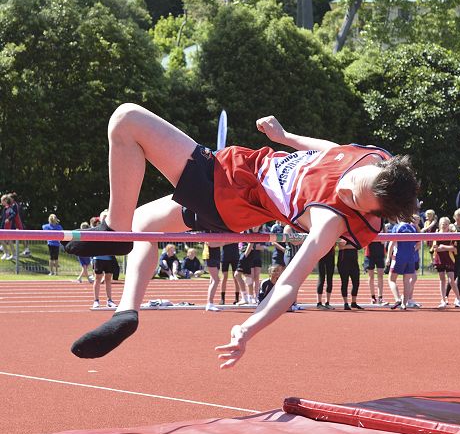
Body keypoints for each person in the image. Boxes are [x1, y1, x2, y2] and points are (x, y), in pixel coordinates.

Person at [65, 104, 418, 365]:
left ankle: (113, 230)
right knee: (145, 224)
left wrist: (248, 328)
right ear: (374, 167)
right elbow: (333, 152)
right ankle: (127, 312)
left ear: (367, 213)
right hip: (233, 199)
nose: (345, 191)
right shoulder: (371, 159)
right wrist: (285, 138)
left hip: (227, 185)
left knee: (126, 120)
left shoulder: (330, 220)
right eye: (355, 185)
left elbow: (288, 285)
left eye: (355, 201)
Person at [430, 217, 460, 308]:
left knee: (451, 280)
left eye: (446, 224)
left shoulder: (452, 235)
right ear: (439, 224)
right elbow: (435, 248)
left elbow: (454, 248)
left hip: (449, 259)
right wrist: (442, 248)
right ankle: (443, 299)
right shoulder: (437, 234)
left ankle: (458, 298)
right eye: (442, 224)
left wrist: (443, 247)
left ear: (449, 225)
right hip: (439, 259)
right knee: (442, 279)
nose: (444, 225)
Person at [386, 219, 418, 310]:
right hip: (410, 257)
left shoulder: (397, 227)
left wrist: (388, 257)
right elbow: (418, 244)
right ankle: (404, 304)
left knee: (391, 279)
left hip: (399, 256)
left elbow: (392, 243)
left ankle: (397, 299)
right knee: (407, 281)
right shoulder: (412, 228)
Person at [337, 241, 362, 310]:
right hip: (343, 261)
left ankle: (353, 302)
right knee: (345, 282)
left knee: (356, 282)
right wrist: (352, 246)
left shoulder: (355, 235)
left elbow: (359, 245)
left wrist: (346, 247)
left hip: (354, 261)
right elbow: (341, 245)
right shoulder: (342, 234)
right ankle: (345, 303)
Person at [365, 240, 388, 306]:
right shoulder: (369, 229)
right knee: (371, 276)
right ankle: (373, 297)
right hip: (370, 253)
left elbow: (384, 240)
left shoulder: (383, 229)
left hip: (380, 253)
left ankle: (380, 298)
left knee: (380, 276)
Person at [204, 242, 224, 312]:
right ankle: (210, 303)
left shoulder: (216, 231)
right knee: (216, 280)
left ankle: (210, 303)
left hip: (216, 256)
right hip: (210, 257)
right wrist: (227, 242)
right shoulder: (208, 232)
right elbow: (211, 244)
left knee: (213, 280)